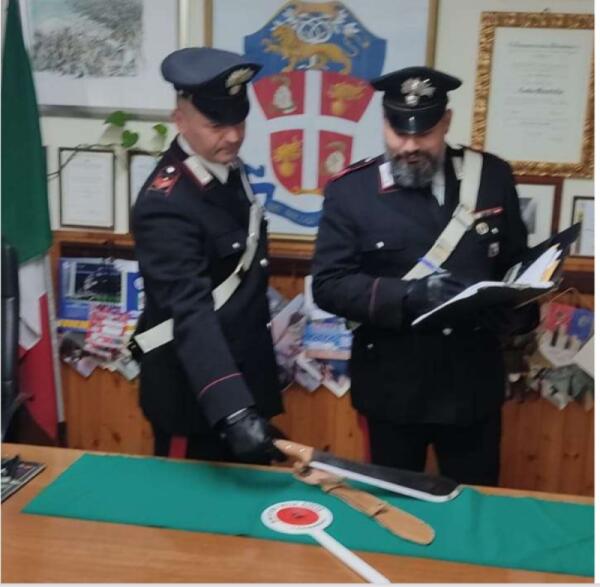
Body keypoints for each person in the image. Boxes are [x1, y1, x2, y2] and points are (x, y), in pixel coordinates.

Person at [311, 66, 539, 486]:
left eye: (425, 133)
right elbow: (329, 285)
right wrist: (409, 295)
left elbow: (515, 264)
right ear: (384, 123)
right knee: (394, 507)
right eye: (399, 133)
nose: (410, 146)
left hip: (472, 384)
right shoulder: (352, 191)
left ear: (446, 122)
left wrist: (519, 312)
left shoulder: (491, 177)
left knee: (474, 504)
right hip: (392, 388)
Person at [131, 47, 284, 464]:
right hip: (194, 402)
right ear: (179, 120)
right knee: (186, 508)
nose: (232, 136)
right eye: (216, 125)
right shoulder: (165, 203)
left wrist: (251, 398)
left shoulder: (229, 172)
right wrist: (232, 408)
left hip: (245, 384)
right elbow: (191, 312)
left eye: (239, 121)